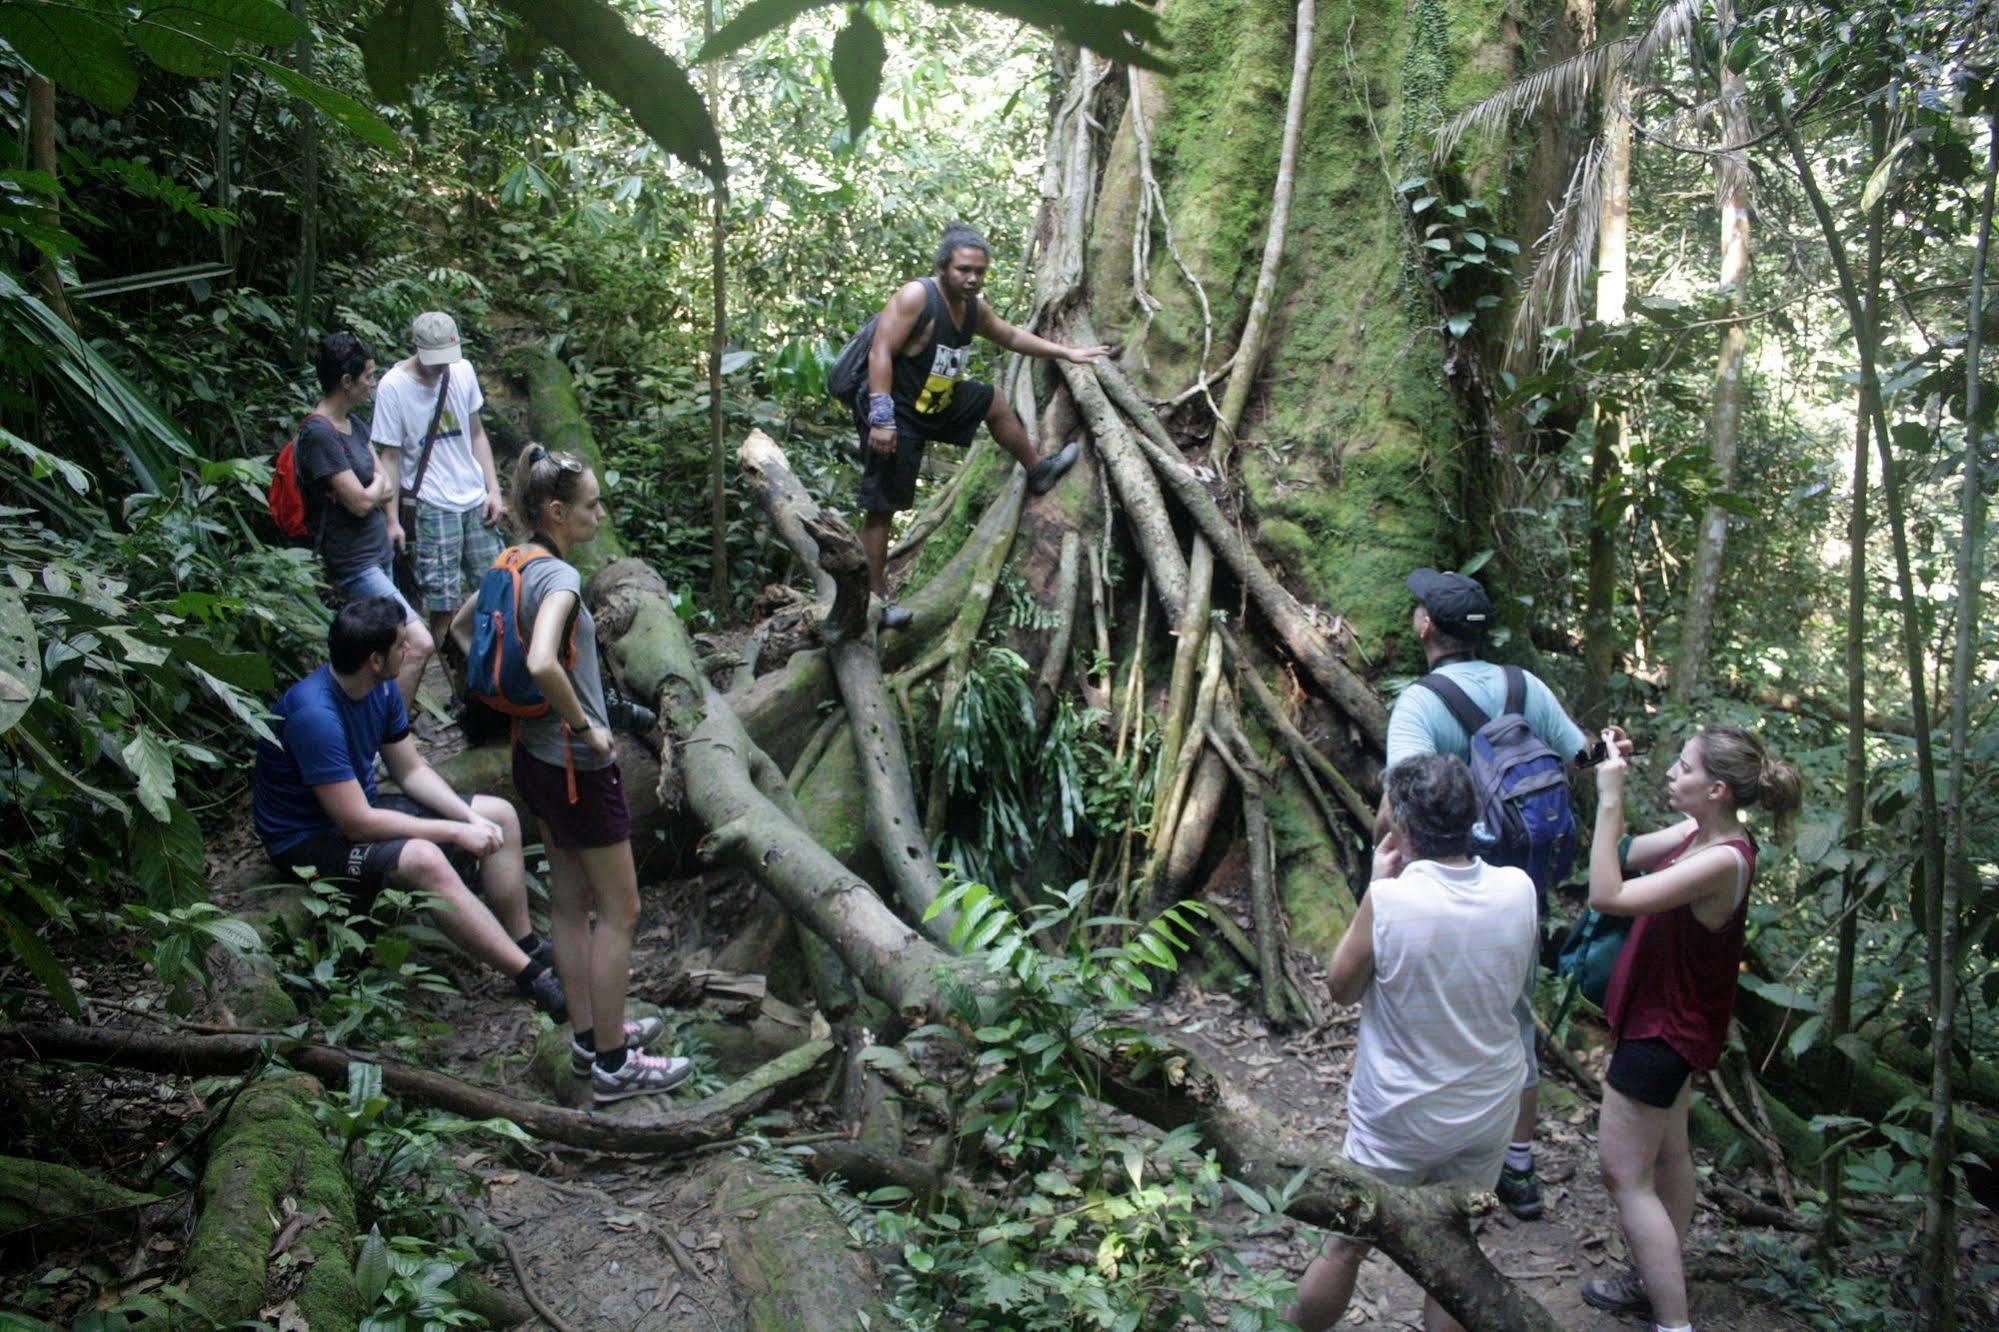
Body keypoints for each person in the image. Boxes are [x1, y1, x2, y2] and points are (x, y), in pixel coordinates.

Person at [1376, 566, 1630, 1219]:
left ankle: (1423, 1154)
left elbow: (1395, 803)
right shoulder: (1525, 686)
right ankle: (1515, 1168)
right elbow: (1586, 758)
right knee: (1512, 1021)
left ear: (1425, 625)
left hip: (1440, 881)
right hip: (1519, 889)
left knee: (1424, 1014)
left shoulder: (1421, 702)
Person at [459, 444, 689, 1104]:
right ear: (557, 511)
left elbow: (460, 624)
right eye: (591, 505)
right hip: (576, 766)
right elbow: (539, 659)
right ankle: (616, 1065)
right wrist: (588, 726)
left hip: (530, 756)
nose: (599, 514)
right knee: (621, 909)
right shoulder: (557, 578)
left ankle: (592, 1037)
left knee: (568, 901)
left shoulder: (512, 560)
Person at [1286, 755, 1538, 1332]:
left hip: (1399, 1115)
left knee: (1348, 1244)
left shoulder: (1392, 900)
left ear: (1399, 823)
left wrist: (1376, 889)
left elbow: (1342, 989)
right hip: (1486, 1106)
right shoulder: (1518, 889)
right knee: (1453, 1251)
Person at [1579, 724, 1801, 1332]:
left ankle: (1674, 1323)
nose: (1672, 774)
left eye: (1685, 768)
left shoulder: (1722, 859)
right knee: (1671, 1157)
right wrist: (1611, 785)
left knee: (1624, 1175)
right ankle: (1655, 1280)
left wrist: (1607, 798)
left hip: (1662, 1033)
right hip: (1674, 1026)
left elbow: (1606, 893)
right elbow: (1622, 856)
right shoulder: (1702, 834)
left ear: (1718, 789)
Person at [252, 596, 564, 1021]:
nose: (412, 650)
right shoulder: (315, 716)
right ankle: (532, 977)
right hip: (306, 839)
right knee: (424, 857)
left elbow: (411, 770)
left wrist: (469, 817)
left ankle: (524, 941)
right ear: (376, 659)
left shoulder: (379, 689)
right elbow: (357, 823)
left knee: (499, 815)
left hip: (360, 807)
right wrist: (455, 832)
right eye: (401, 644)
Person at [855, 223, 1109, 628]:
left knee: (990, 399)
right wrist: (881, 417)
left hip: (935, 400)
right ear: (944, 267)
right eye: (963, 270)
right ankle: (875, 602)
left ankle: (1037, 469)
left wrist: (1067, 352)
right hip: (897, 413)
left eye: (979, 271)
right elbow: (880, 351)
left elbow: (1009, 336)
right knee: (882, 508)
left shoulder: (972, 306)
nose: (972, 278)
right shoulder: (917, 296)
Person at [297, 331, 434, 711]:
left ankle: (380, 730)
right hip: (355, 564)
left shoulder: (353, 426)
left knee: (385, 652)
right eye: (368, 376)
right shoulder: (318, 434)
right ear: (346, 381)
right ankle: (391, 734)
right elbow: (359, 501)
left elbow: (384, 485)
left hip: (378, 554)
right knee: (418, 643)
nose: (372, 383)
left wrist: (374, 493)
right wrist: (372, 490)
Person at [375, 311, 503, 700]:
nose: (441, 368)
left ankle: (498, 681)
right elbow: (390, 458)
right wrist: (392, 519)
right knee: (444, 605)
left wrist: (493, 489)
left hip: (472, 496)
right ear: (417, 349)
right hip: (432, 504)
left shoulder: (461, 370)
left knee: (497, 591)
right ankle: (462, 693)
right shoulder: (393, 387)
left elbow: (476, 433)